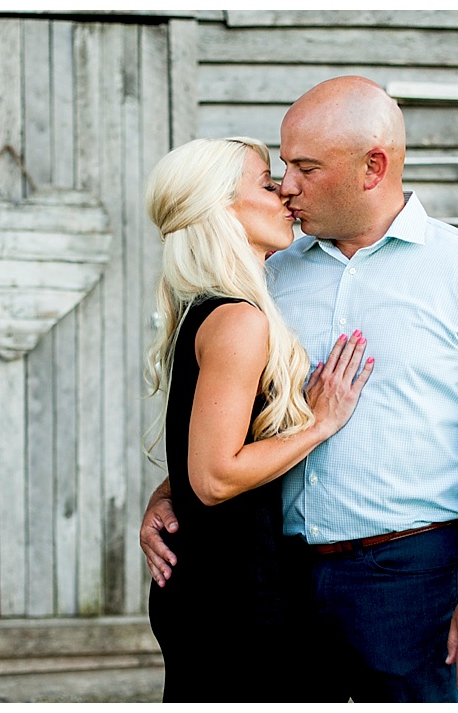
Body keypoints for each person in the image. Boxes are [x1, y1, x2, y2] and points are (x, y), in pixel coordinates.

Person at [139, 76, 458, 702]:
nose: (287, 186)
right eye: (280, 170)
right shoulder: (266, 275)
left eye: (305, 168)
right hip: (280, 579)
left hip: (409, 577)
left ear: (373, 167)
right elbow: (234, 419)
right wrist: (175, 493)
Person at [140, 136, 375, 702]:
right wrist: (319, 423)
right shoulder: (239, 320)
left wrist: (167, 490)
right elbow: (217, 477)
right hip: (236, 598)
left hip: (215, 585)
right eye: (268, 185)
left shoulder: (205, 309)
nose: (286, 196)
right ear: (222, 209)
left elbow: (204, 455)